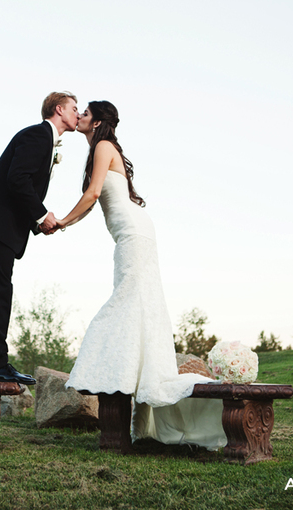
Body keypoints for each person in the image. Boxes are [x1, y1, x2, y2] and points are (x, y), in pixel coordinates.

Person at [58, 101, 226, 450]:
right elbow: (92, 200)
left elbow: (91, 195)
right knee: (138, 303)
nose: (81, 117)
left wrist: (60, 222)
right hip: (134, 234)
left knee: (126, 301)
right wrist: (65, 224)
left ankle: (113, 371)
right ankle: (131, 380)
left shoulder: (103, 146)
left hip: (133, 235)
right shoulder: (102, 149)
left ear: (98, 121)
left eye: (85, 112)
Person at [0, 91, 79, 385]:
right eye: (75, 108)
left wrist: (37, 224)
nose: (79, 114)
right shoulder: (38, 136)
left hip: (0, 227)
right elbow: (17, 179)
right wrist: (41, 215)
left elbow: (21, 184)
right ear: (59, 109)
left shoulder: (43, 140)